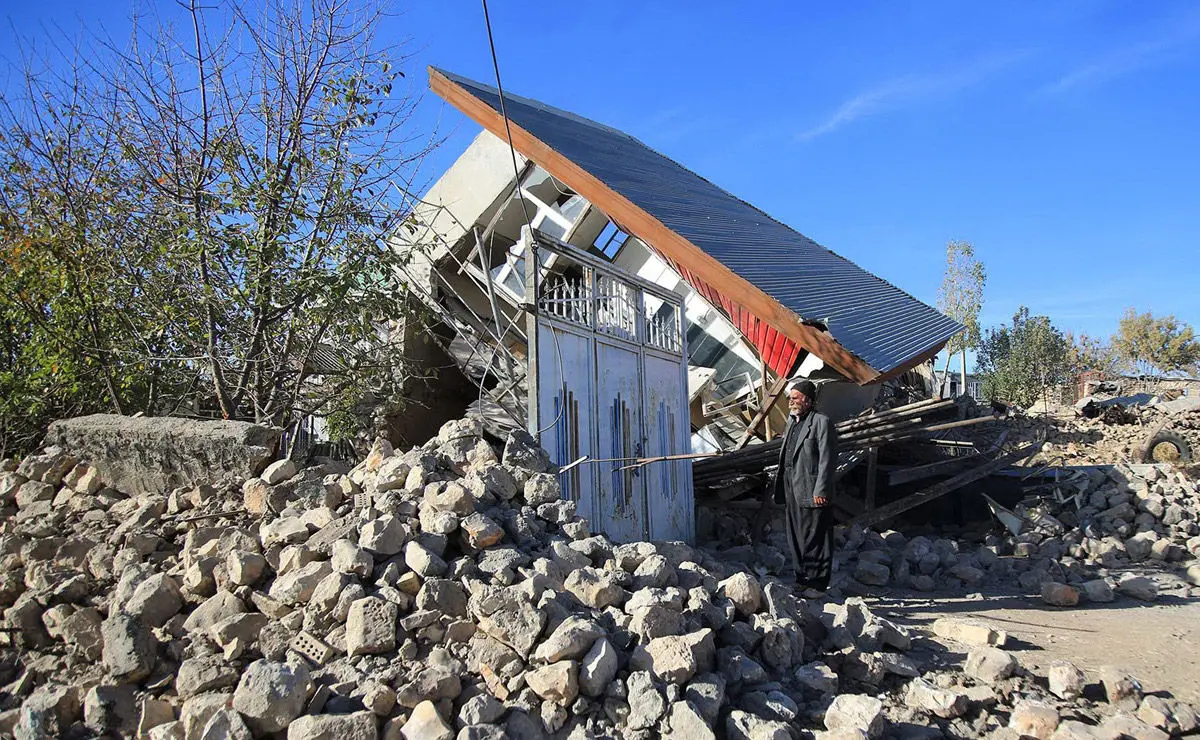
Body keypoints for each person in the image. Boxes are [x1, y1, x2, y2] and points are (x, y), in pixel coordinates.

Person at [773, 379, 837, 596]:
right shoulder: (792, 422)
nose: (791, 402)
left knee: (815, 537)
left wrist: (821, 490)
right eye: (790, 398)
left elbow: (827, 460)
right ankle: (802, 579)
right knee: (795, 536)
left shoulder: (821, 422)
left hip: (811, 487)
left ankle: (817, 585)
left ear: (808, 400)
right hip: (791, 484)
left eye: (796, 398)